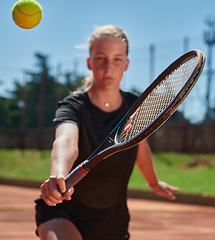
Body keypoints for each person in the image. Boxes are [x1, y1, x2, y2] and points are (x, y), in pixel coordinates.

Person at [35, 24, 179, 240]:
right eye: (101, 58)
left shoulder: (135, 105)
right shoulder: (73, 106)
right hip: (64, 212)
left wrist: (153, 183)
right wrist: (59, 173)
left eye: (117, 59)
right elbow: (65, 141)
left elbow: (140, 147)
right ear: (89, 62)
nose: (108, 67)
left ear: (126, 64)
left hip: (114, 222)